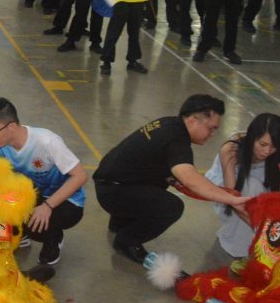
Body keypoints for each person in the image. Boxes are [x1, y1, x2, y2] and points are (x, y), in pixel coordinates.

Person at [93, 94, 253, 263]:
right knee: (171, 206)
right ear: (192, 120)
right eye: (211, 128)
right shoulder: (176, 140)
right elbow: (190, 179)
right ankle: (127, 241)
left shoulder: (168, 123)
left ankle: (119, 220)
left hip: (110, 182)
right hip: (113, 192)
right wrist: (232, 199)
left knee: (159, 181)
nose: (213, 134)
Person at [0, 97, 87, 266]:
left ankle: (53, 238)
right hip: (33, 194)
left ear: (11, 126)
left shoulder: (47, 141)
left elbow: (80, 176)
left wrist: (47, 206)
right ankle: (21, 232)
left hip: (65, 200)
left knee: (37, 223)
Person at [204, 113, 280, 257]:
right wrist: (264, 230)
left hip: (257, 184)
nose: (267, 151)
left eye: (274, 147)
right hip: (228, 190)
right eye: (262, 144)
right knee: (251, 192)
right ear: (252, 138)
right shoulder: (230, 150)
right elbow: (233, 199)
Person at [99, 0, 151, 76]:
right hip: (121, 1)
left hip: (137, 2)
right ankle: (107, 61)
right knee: (114, 32)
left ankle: (133, 60)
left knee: (134, 33)